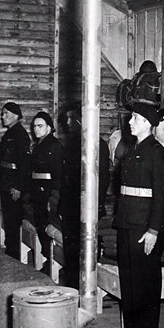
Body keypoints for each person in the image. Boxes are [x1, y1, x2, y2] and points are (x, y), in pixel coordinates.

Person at [113, 103, 164, 328]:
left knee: (145, 280)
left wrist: (153, 231)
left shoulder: (156, 152)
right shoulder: (132, 149)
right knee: (128, 277)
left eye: (135, 118)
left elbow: (163, 194)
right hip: (127, 221)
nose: (130, 122)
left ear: (148, 123)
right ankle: (132, 327)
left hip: (144, 225)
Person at [57, 109, 110, 288]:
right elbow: (66, 180)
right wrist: (62, 208)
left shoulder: (97, 144)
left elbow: (102, 178)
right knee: (71, 253)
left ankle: (87, 289)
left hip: (87, 207)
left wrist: (96, 205)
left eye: (73, 118)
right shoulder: (71, 145)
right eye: (68, 118)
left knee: (86, 251)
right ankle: (74, 290)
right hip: (71, 208)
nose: (69, 122)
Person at [0, 102, 30, 260]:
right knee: (8, 218)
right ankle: (10, 251)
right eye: (2, 113)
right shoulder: (11, 133)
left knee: (13, 220)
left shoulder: (20, 134)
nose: (3, 117)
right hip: (6, 181)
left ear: (16, 115)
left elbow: (24, 164)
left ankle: (13, 254)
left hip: (13, 184)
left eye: (6, 113)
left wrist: (18, 187)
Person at [29, 112, 64, 269]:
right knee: (40, 224)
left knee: (46, 226)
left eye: (40, 126)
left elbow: (58, 175)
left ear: (49, 127)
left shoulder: (54, 146)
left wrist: (53, 197)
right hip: (38, 192)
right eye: (34, 126)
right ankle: (46, 259)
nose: (36, 129)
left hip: (48, 192)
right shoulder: (39, 145)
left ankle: (50, 262)